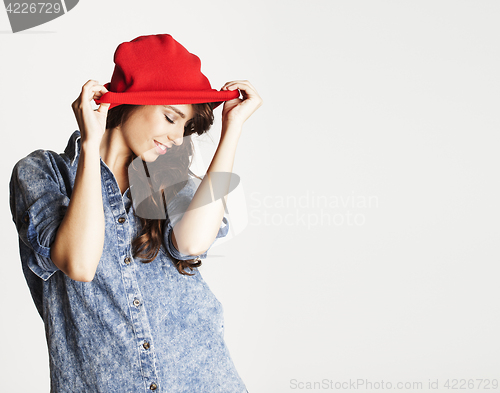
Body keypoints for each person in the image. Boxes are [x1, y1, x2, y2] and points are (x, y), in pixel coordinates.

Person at [9, 33, 262, 393]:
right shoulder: (41, 172)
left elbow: (192, 243)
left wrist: (232, 130)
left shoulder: (169, 178)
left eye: (185, 127)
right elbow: (79, 264)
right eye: (170, 117)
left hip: (203, 380)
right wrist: (91, 144)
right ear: (132, 103)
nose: (178, 138)